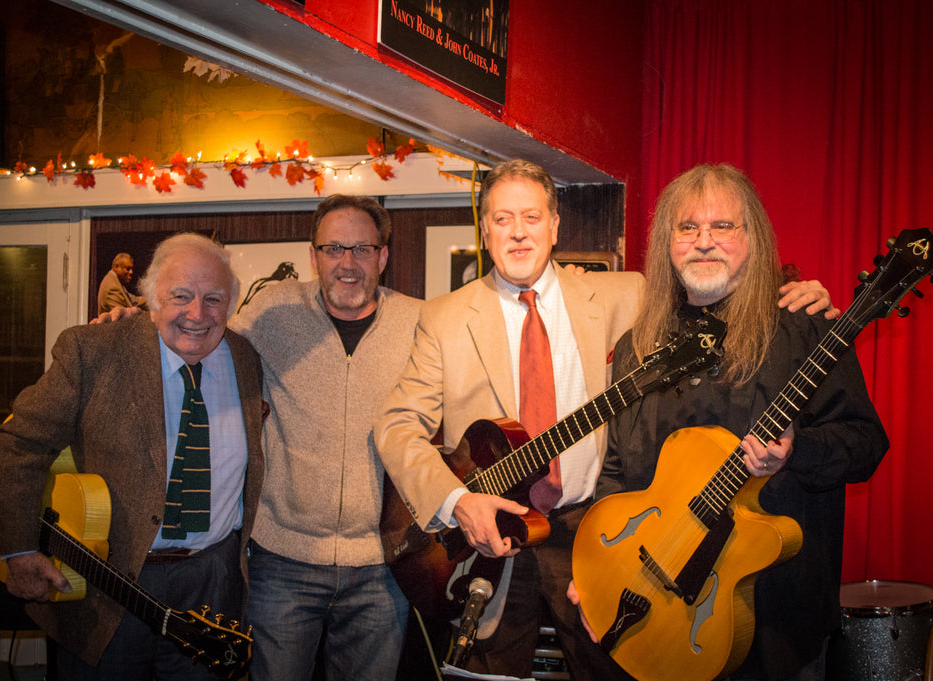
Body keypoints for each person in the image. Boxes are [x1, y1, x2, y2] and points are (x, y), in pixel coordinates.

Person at [372, 159, 837, 680]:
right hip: (489, 539)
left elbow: (713, 291)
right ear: (484, 230)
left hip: (593, 530)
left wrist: (792, 295)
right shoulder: (444, 317)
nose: (518, 232)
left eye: (531, 216)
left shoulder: (628, 294)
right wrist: (457, 502)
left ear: (555, 225)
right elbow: (395, 426)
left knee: (612, 670)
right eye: (502, 219)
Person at [571, 163, 888, 681]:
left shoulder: (804, 327)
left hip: (776, 624)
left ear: (753, 238)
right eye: (687, 227)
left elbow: (865, 443)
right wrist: (595, 572)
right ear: (666, 242)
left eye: (723, 226)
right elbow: (615, 474)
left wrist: (797, 451)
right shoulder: (636, 348)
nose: (704, 241)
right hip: (658, 617)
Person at [0, 233, 265, 680]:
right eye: (181, 296)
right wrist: (19, 549)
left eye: (214, 299)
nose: (197, 314)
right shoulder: (95, 350)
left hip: (213, 582)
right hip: (109, 584)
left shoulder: (245, 357)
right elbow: (22, 442)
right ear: (151, 298)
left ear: (231, 304)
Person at [230, 194, 421, 681]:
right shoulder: (273, 310)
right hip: (282, 560)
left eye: (362, 248)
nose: (348, 263)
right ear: (313, 256)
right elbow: (203, 339)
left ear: (383, 256)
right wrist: (130, 322)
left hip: (382, 565)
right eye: (334, 248)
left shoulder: (421, 323)